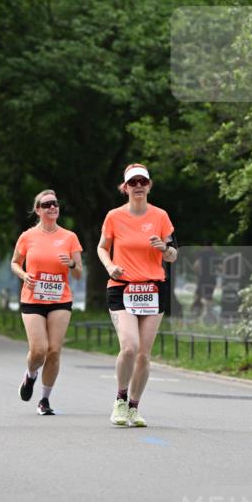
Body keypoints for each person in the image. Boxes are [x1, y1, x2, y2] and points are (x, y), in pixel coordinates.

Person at [97, 163, 178, 426]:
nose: (139, 186)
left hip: (153, 288)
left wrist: (164, 248)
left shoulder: (161, 216)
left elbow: (173, 255)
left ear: (150, 185)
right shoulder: (113, 217)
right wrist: (111, 267)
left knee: (144, 353)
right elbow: (101, 248)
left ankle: (134, 406)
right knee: (129, 346)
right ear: (125, 187)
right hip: (122, 287)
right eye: (133, 183)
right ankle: (120, 400)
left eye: (143, 181)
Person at [10, 189, 83, 415]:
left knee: (54, 351)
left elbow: (79, 273)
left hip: (60, 298)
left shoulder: (69, 237)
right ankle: (30, 375)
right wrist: (24, 275)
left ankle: (44, 399)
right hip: (33, 298)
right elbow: (14, 263)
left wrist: (71, 264)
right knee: (39, 350)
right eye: (47, 204)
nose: (53, 207)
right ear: (38, 210)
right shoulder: (27, 236)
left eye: (56, 204)